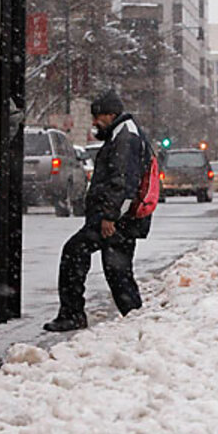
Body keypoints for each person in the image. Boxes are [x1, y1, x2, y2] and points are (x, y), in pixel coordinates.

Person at [43, 91, 152, 332]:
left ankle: (72, 314)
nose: (94, 122)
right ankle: (135, 319)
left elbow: (123, 182)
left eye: (97, 117)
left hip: (115, 218)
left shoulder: (125, 138)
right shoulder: (124, 133)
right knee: (118, 270)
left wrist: (109, 216)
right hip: (120, 217)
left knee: (74, 252)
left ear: (111, 115)